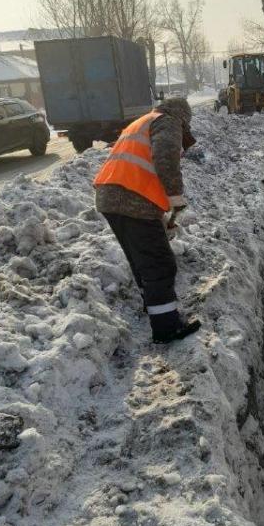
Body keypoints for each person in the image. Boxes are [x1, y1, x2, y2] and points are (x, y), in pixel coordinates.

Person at [94, 97, 200, 344]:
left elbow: (141, 167)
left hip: (109, 196)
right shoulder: (168, 122)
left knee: (141, 259)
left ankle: (154, 305)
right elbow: (165, 159)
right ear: (183, 118)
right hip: (132, 200)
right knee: (160, 263)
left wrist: (163, 214)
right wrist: (175, 198)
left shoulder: (142, 121)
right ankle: (166, 327)